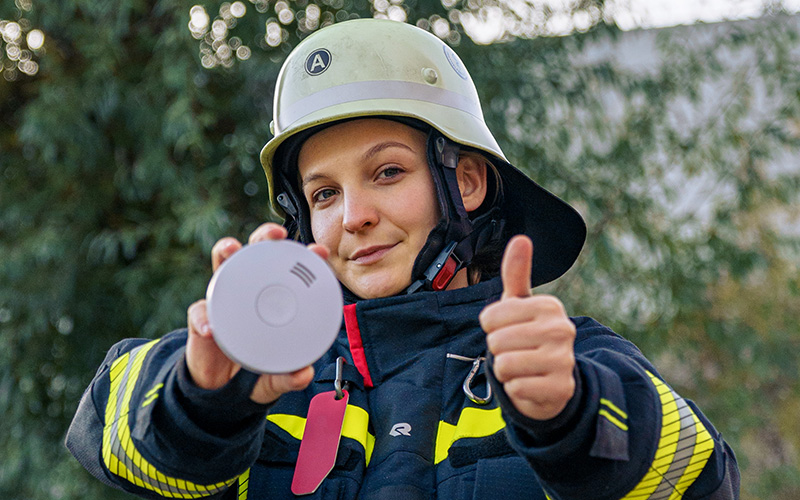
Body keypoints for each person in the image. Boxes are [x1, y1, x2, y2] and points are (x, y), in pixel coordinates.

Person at [66, 18, 740, 500]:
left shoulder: (567, 362)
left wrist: (569, 414)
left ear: (466, 182)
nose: (352, 215)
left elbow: (701, 474)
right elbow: (109, 430)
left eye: (387, 172)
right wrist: (201, 399)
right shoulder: (262, 379)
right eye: (324, 193)